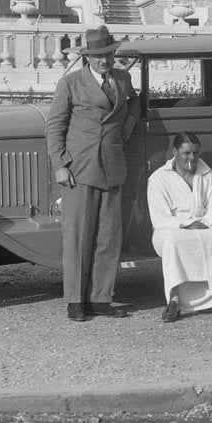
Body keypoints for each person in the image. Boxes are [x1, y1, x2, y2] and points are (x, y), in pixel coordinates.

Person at [45, 25, 140, 321]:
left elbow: (134, 101)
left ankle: (100, 298)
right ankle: (75, 300)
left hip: (112, 166)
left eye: (108, 54)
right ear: (88, 57)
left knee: (109, 236)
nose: (104, 60)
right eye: (99, 56)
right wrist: (60, 164)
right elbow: (54, 126)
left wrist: (132, 119)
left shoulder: (123, 79)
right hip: (80, 169)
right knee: (78, 237)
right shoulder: (71, 83)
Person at [147, 132, 212, 323]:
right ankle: (174, 300)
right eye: (186, 153)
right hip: (170, 230)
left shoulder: (208, 174)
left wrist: (203, 224)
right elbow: (160, 218)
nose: (191, 158)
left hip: (203, 227)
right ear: (174, 152)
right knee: (173, 238)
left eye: (195, 153)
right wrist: (185, 225)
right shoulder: (158, 179)